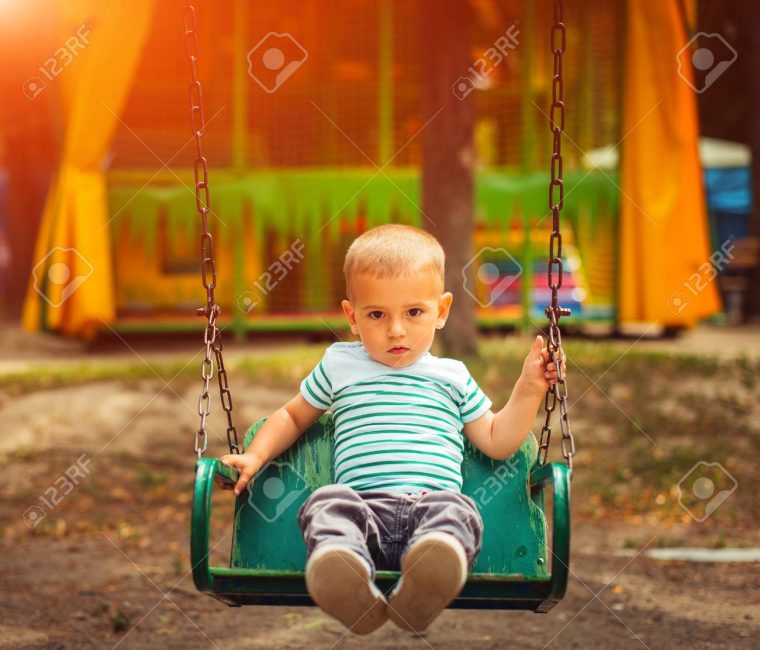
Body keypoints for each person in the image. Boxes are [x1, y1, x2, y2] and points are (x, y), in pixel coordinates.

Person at [218, 224, 565, 634]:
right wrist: (256, 455)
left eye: (414, 312)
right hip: (360, 507)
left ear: (441, 310)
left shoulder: (452, 376)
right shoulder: (339, 365)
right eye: (377, 314)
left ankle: (426, 582)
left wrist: (528, 389)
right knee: (326, 504)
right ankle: (347, 583)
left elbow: (496, 441)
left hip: (433, 506)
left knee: (460, 513)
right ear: (352, 316)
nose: (396, 330)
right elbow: (293, 416)